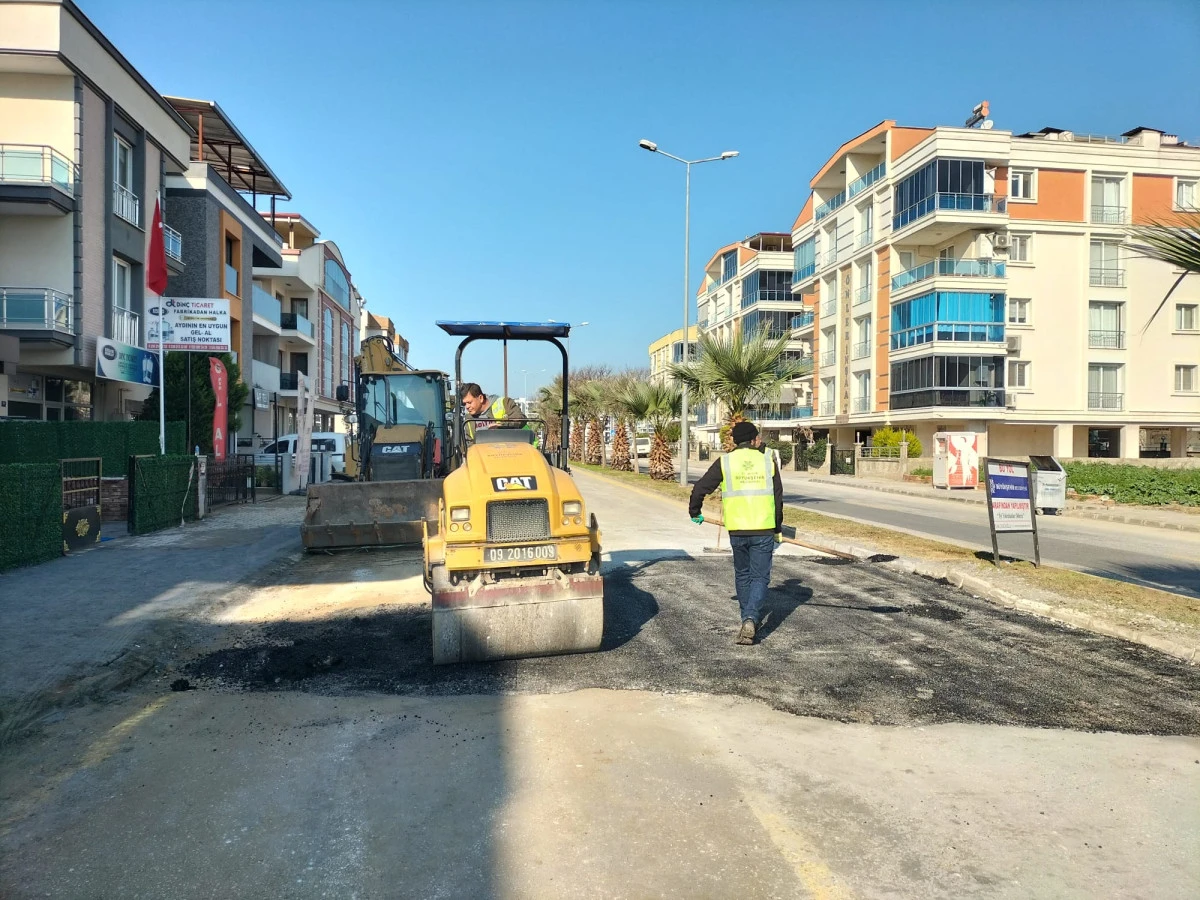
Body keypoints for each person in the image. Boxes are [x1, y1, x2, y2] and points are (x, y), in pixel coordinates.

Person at [688, 421, 783, 645]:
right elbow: (778, 497)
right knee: (759, 576)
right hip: (763, 527)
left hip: (737, 529)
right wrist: (778, 528)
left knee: (742, 574)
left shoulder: (725, 461)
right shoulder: (767, 460)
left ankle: (746, 620)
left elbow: (701, 487)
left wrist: (695, 511)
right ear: (753, 440)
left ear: (734, 441)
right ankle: (751, 618)